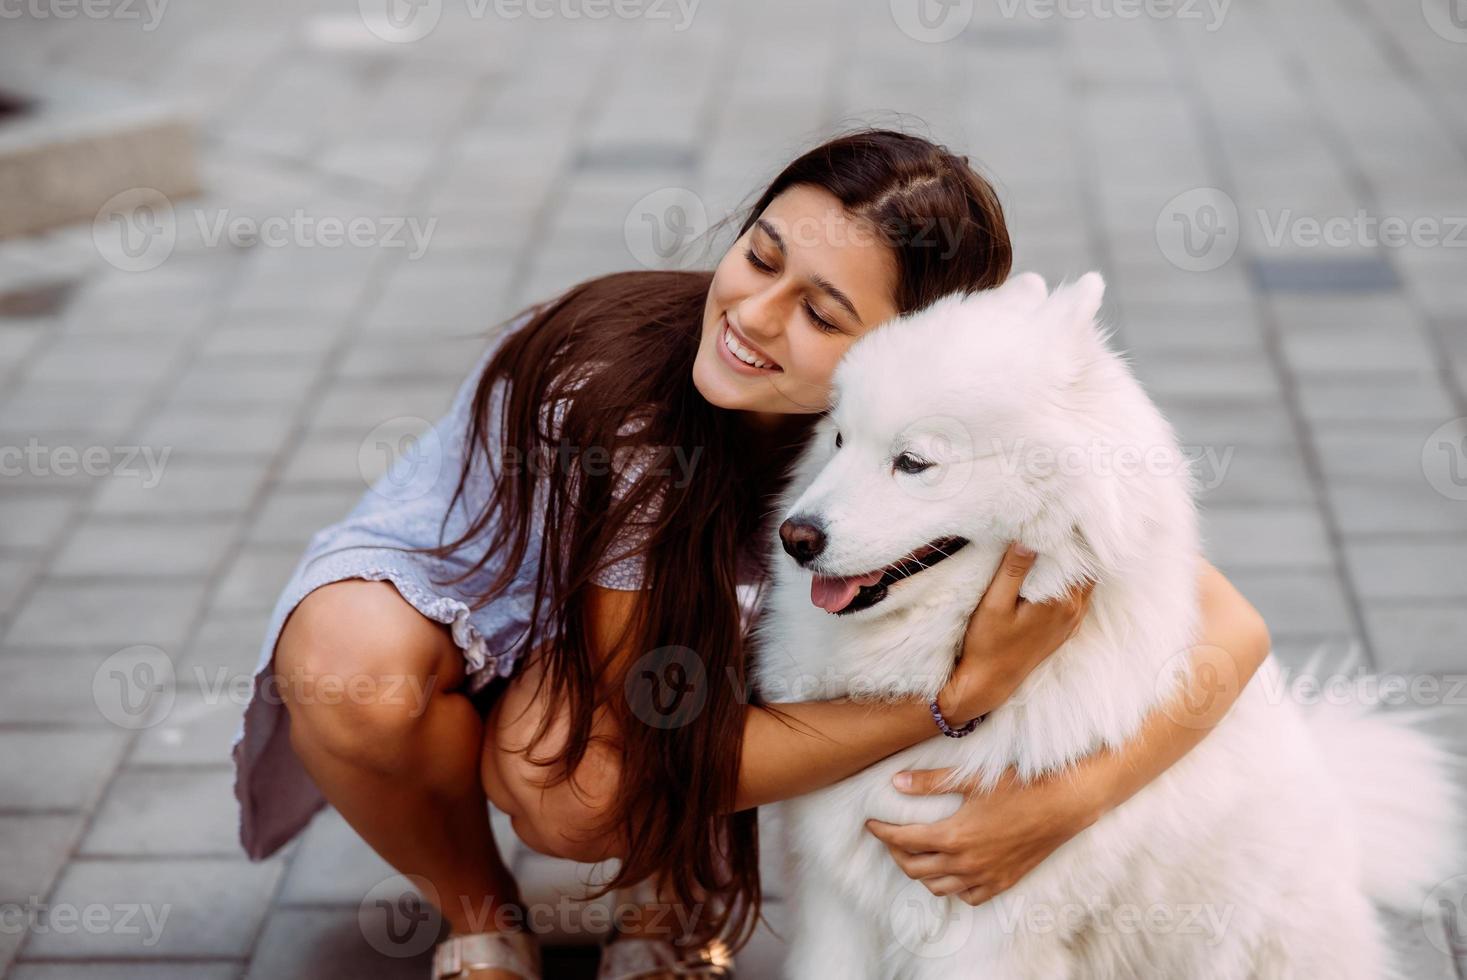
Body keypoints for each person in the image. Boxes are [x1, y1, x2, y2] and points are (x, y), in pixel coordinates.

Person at [230, 128, 1271, 980]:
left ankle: (665, 890)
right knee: (415, 702)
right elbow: (648, 742)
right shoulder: (626, 402)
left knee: (596, 761)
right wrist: (959, 696)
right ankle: (479, 917)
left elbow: (1230, 625)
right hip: (502, 613)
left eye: (822, 313)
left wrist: (1060, 803)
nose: (752, 315)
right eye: (761, 255)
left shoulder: (956, 424)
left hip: (658, 658)